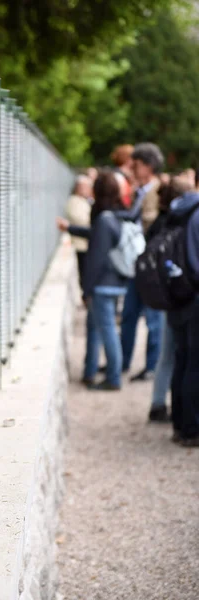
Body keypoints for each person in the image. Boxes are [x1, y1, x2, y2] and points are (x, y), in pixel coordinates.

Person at [58, 170, 128, 391]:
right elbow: (93, 234)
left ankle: (114, 377)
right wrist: (69, 228)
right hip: (113, 281)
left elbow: (96, 259)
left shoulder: (104, 220)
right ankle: (90, 371)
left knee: (106, 330)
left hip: (102, 284)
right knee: (96, 327)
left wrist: (86, 289)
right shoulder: (114, 215)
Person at [147, 179, 191, 423]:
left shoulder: (160, 223)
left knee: (167, 355)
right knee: (184, 356)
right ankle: (182, 412)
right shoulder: (184, 222)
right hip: (183, 294)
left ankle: (158, 403)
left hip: (167, 294)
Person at [120, 143, 164, 382]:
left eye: (135, 165)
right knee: (128, 314)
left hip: (150, 266)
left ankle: (151, 367)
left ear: (147, 166)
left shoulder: (157, 192)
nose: (132, 169)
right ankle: (123, 361)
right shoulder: (140, 191)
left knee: (153, 320)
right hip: (136, 263)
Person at [166, 186, 199, 446]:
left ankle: (180, 423)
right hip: (195, 293)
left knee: (183, 358)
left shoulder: (180, 209)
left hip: (179, 293)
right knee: (194, 363)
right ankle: (192, 428)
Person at [64, 175, 93, 287]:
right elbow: (80, 220)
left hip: (87, 242)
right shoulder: (74, 201)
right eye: (86, 187)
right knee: (84, 272)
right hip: (81, 243)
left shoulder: (85, 201)